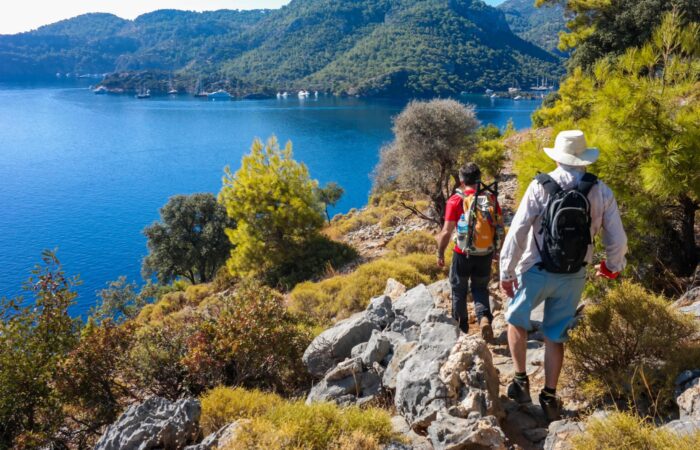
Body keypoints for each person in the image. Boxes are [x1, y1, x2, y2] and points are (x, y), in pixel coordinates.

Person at [499, 130, 627, 421]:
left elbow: (518, 231)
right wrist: (612, 267)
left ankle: (521, 382)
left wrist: (506, 272)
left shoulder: (539, 186)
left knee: (516, 322)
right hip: (574, 275)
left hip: (536, 270)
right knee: (555, 335)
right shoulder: (600, 190)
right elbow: (617, 239)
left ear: (558, 156)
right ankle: (550, 394)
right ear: (583, 158)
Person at [436, 162, 504, 340]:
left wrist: (440, 253)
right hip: (485, 253)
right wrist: (497, 250)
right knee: (480, 288)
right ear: (479, 179)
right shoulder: (491, 198)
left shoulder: (455, 200)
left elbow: (446, 231)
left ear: (461, 180)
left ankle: (462, 329)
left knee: (459, 290)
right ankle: (483, 319)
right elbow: (500, 227)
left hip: (462, 253)